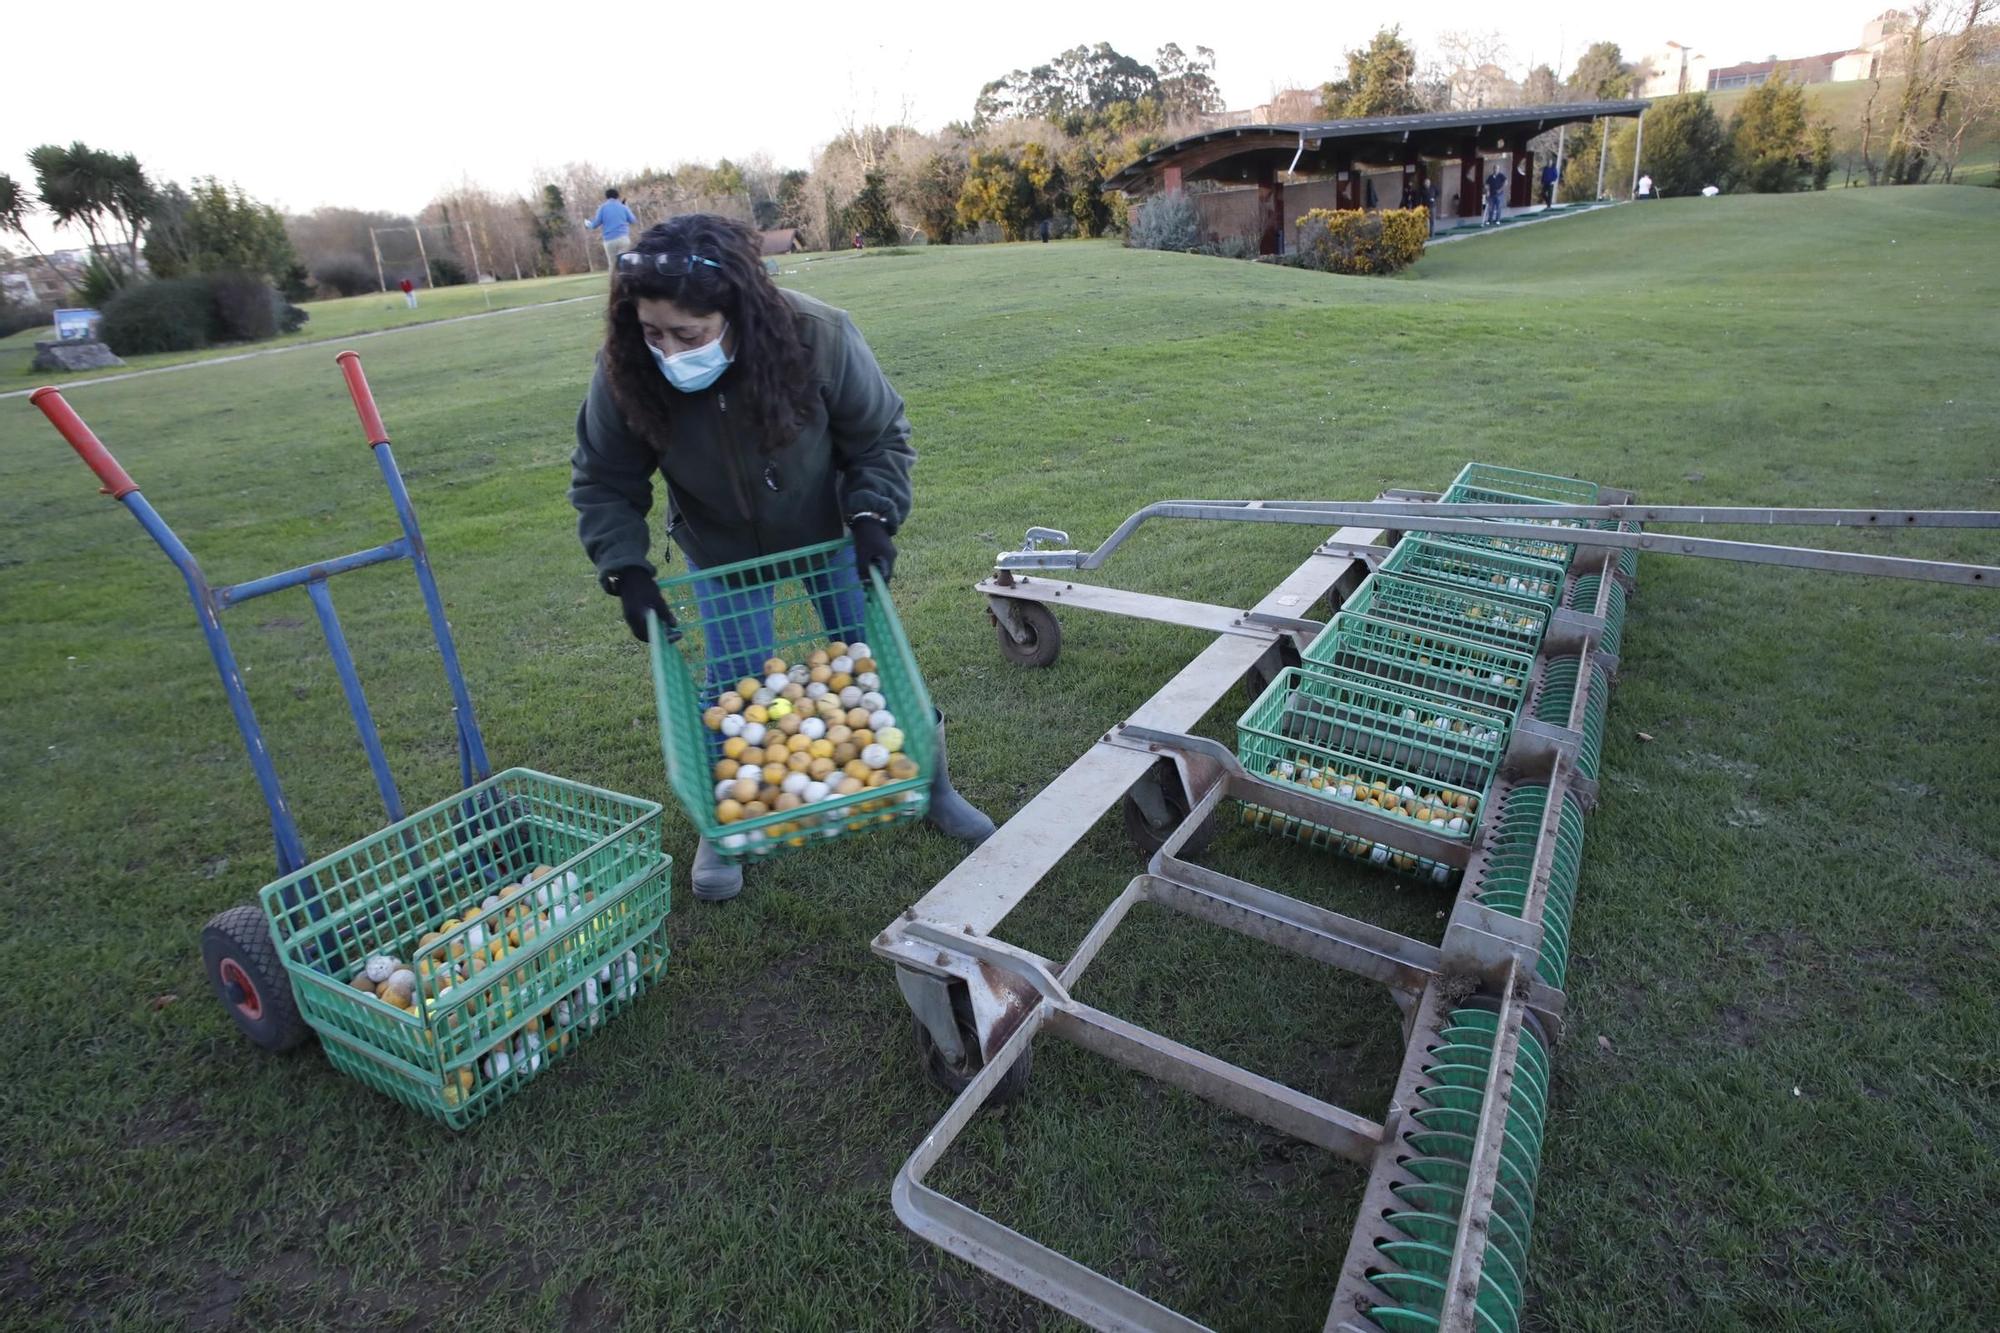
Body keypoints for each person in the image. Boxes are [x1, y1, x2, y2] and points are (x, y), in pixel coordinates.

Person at [568, 214, 996, 902]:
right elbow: (603, 479)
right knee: (736, 686)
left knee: (872, 662)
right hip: (720, 545)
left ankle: (935, 786)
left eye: (689, 334)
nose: (670, 351)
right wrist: (628, 570)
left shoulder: (816, 335)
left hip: (830, 530)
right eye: (653, 332)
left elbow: (881, 434)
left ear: (735, 310)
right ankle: (725, 823)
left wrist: (871, 516)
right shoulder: (626, 372)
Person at [583, 188, 638, 268]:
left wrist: (588, 224)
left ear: (606, 197)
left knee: (612, 265)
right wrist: (626, 207)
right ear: (617, 196)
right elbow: (633, 220)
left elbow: (595, 225)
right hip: (623, 238)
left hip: (609, 240)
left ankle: (613, 280)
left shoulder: (602, 208)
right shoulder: (623, 207)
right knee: (625, 264)